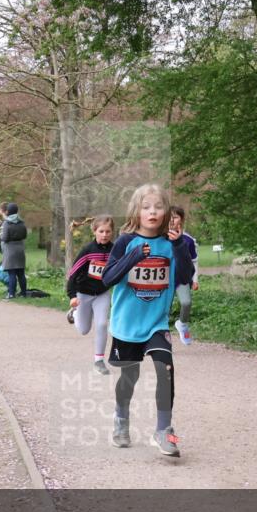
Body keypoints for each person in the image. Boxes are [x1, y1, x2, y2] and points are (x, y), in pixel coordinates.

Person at [101, 183, 194, 457]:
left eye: (158, 206)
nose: (152, 212)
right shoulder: (124, 242)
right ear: (136, 211)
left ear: (166, 211)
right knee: (130, 376)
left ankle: (163, 430)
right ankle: (121, 420)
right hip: (127, 324)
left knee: (165, 368)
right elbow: (108, 279)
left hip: (157, 323)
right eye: (146, 207)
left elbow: (185, 276)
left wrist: (178, 246)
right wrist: (132, 257)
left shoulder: (172, 243)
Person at [66, 215, 115, 375]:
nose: (105, 234)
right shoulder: (88, 251)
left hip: (102, 293)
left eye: (108, 231)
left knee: (101, 324)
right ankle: (73, 313)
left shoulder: (115, 250)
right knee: (84, 330)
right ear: (94, 231)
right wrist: (72, 296)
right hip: (83, 294)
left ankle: (99, 361)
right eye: (101, 231)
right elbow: (72, 274)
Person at [169, 206, 199, 346]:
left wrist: (195, 279)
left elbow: (194, 261)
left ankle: (182, 324)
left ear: (181, 219)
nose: (171, 220)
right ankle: (161, 338)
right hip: (165, 280)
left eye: (175, 217)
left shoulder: (188, 240)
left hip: (182, 278)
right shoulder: (160, 238)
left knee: (186, 303)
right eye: (169, 217)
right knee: (164, 309)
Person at [0, 202, 27, 299]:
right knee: (21, 273)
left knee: (12, 273)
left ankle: (11, 293)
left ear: (8, 211)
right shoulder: (21, 222)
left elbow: (5, 238)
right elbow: (25, 235)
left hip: (10, 249)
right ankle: (23, 293)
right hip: (20, 248)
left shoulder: (7, 223)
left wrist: (1, 236)